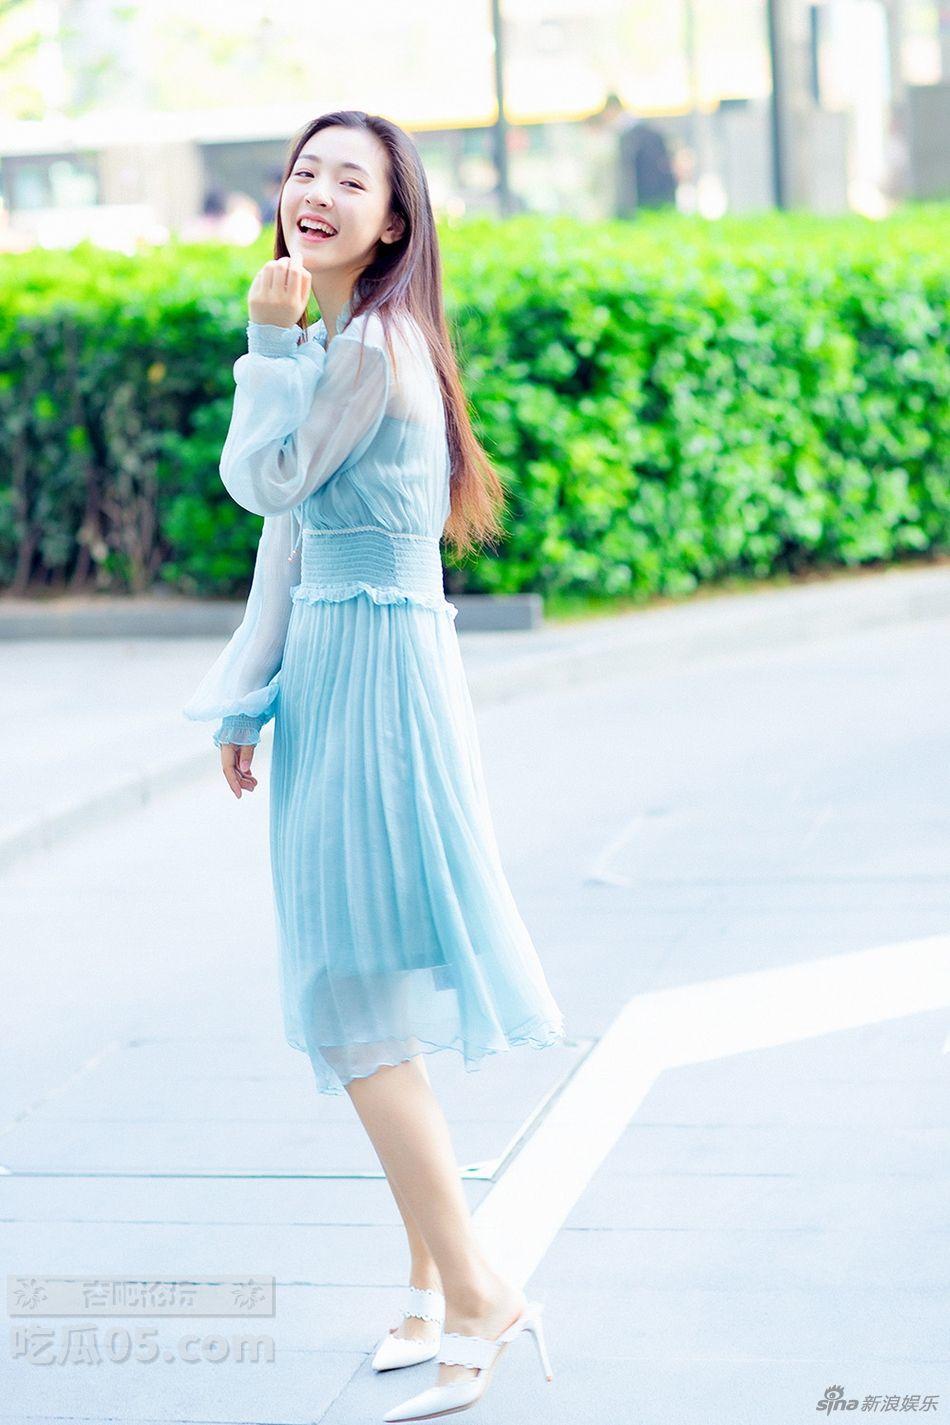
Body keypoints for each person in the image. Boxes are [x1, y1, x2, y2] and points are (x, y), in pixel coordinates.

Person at [181, 109, 562, 1420]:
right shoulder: (363, 337)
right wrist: (250, 692)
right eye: (305, 171)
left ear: (393, 222)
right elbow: (293, 543)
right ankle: (428, 1284)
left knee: (348, 995)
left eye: (353, 179)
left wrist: (264, 341)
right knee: (366, 985)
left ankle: (481, 1293)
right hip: (354, 663)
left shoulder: (361, 348)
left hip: (372, 676)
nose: (319, 192)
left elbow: (265, 482)